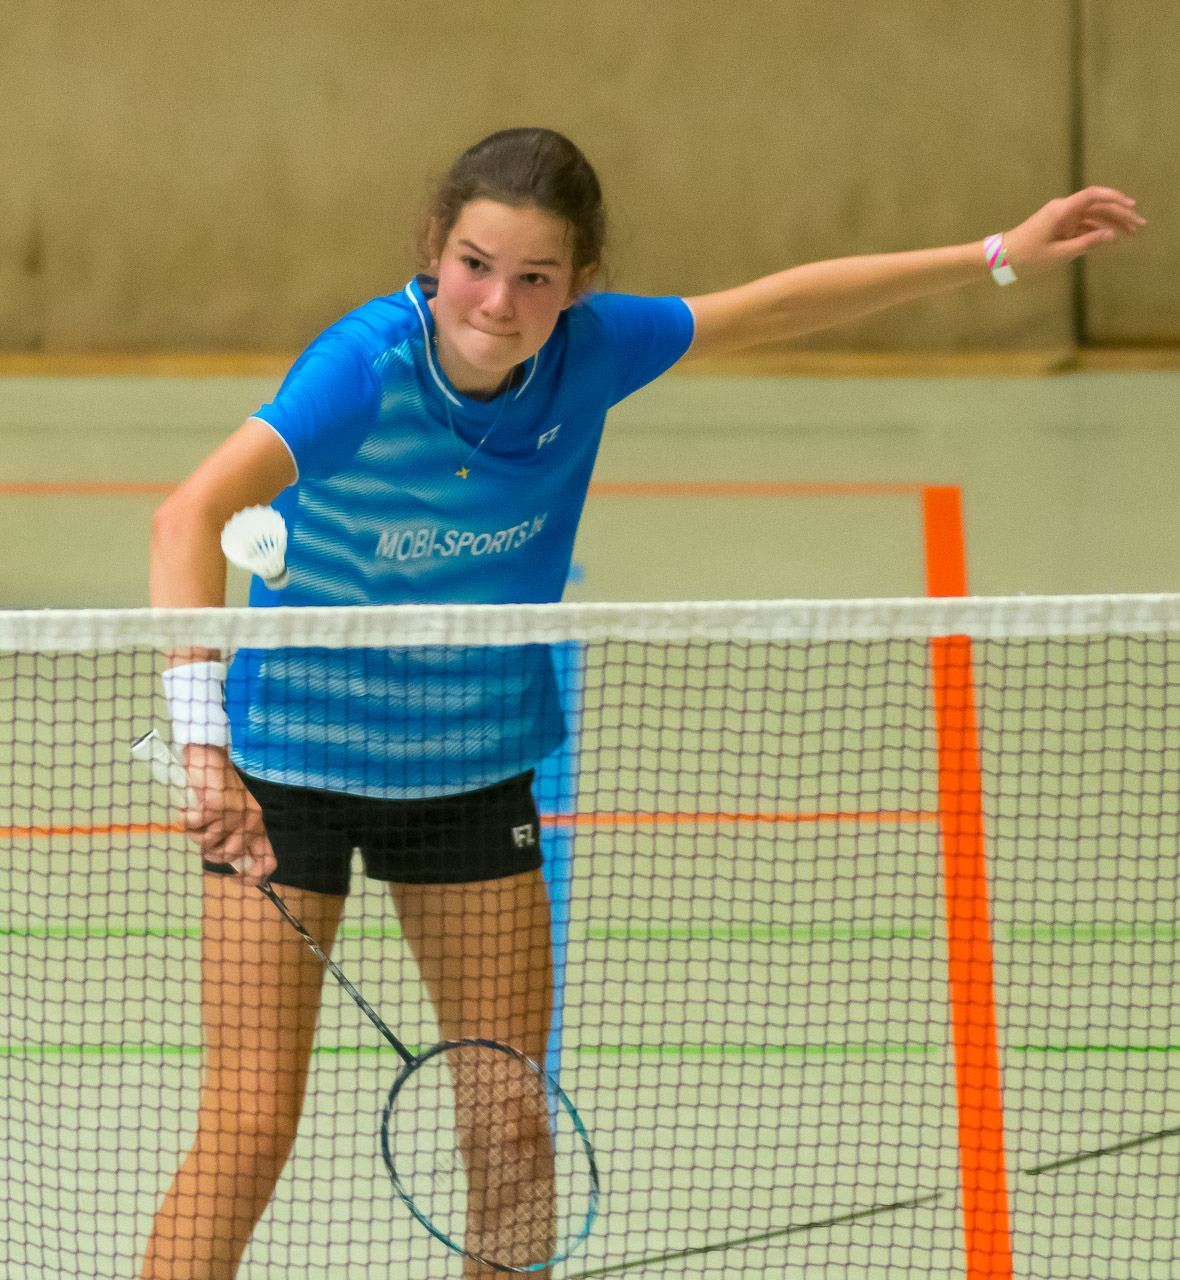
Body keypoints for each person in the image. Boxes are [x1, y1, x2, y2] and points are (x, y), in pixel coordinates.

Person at [143, 126, 1142, 1279]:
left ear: (580, 282)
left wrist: (999, 254)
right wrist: (203, 744)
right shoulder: (361, 369)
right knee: (248, 1129)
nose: (499, 302)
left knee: (512, 1131)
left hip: (470, 771)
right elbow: (187, 517)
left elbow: (773, 304)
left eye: (535, 277)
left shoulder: (594, 353)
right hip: (285, 773)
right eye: (475, 264)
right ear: (432, 249)